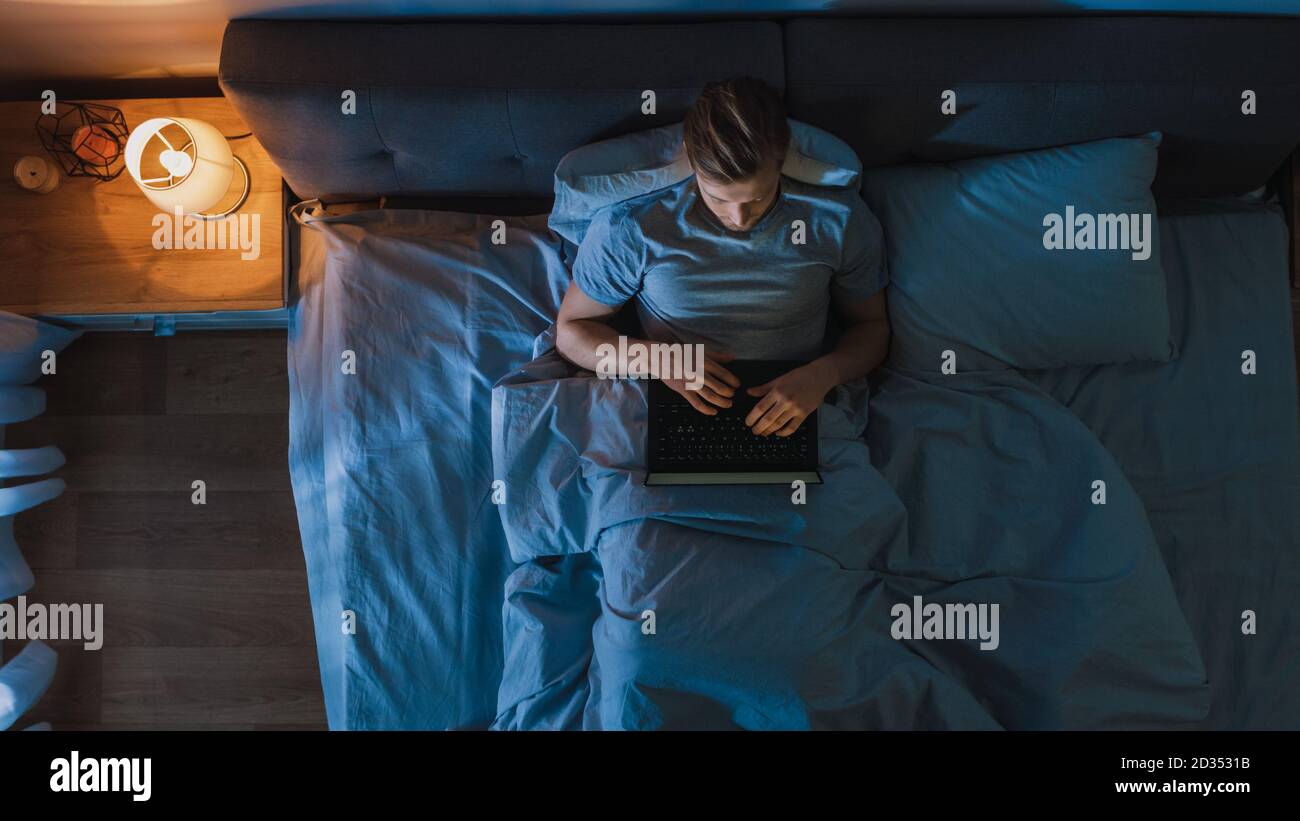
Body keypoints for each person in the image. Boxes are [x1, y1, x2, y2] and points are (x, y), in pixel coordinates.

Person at [555, 76, 890, 438]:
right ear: (693, 162)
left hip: (802, 403)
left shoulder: (837, 219)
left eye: (758, 198)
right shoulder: (634, 226)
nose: (739, 218)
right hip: (668, 402)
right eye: (719, 198)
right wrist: (656, 360)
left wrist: (825, 374)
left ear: (782, 161)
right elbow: (572, 333)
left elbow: (871, 328)